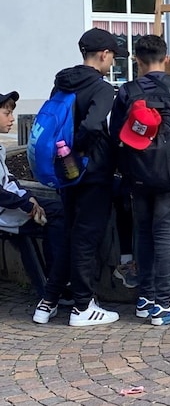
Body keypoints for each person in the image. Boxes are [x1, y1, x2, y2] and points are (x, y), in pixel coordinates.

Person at [36, 28, 126, 326]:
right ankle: (82, 307)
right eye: (112, 56)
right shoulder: (101, 88)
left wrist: (66, 157)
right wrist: (83, 152)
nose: (112, 62)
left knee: (70, 235)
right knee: (86, 238)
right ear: (103, 54)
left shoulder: (62, 82)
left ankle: (47, 302)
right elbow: (90, 125)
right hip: (91, 171)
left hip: (65, 171)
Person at [110, 34, 170, 326]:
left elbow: (116, 134)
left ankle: (146, 299)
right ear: (167, 59)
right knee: (164, 235)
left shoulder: (127, 91)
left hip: (138, 174)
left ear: (136, 60)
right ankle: (164, 302)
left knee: (143, 233)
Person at [0, 91, 67, 324]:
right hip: (6, 214)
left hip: (12, 206)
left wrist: (29, 197)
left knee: (57, 213)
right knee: (57, 215)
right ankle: (53, 289)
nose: (11, 118)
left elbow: (10, 180)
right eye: (7, 113)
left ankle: (54, 283)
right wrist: (26, 202)